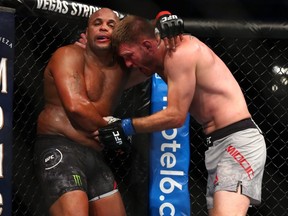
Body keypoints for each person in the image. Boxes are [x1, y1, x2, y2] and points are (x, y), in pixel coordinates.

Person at [97, 15, 267, 216]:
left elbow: (176, 116)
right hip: (218, 145)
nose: (127, 63)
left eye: (129, 55)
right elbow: (116, 83)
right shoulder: (155, 63)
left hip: (237, 142)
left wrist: (126, 127)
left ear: (147, 46)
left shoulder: (179, 53)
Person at [34, 8, 184, 216]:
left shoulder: (124, 67)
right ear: (87, 31)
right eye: (97, 23)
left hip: (94, 154)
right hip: (60, 146)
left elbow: (158, 57)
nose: (103, 27)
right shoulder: (68, 55)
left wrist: (163, 18)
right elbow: (76, 106)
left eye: (111, 25)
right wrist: (115, 130)